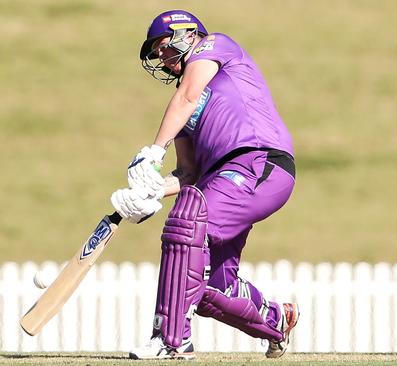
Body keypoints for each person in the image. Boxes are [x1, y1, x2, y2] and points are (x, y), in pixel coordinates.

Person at [109, 10, 299, 360]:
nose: (161, 57)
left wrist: (153, 151)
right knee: (212, 288)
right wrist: (149, 191)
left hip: (259, 160)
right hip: (221, 180)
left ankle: (170, 338)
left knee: (186, 225)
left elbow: (187, 96)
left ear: (188, 34)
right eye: (157, 53)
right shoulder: (185, 115)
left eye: (163, 46)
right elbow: (187, 174)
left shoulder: (217, 45)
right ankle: (276, 319)